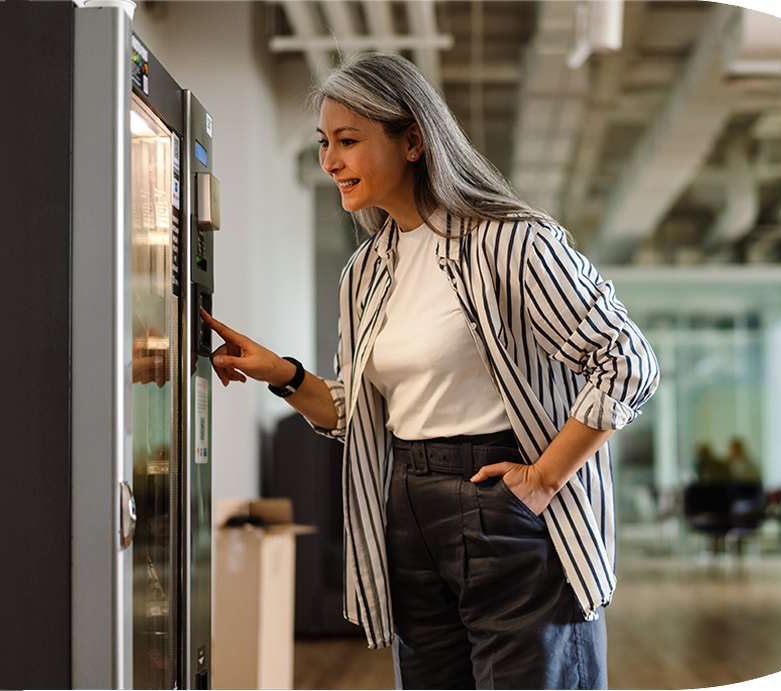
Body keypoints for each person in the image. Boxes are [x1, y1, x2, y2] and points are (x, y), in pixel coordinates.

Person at [202, 52, 658, 690]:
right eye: (325, 143)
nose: (330, 161)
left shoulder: (512, 243)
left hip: (507, 506)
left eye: (349, 141)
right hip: (407, 507)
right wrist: (282, 374)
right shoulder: (365, 274)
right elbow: (361, 416)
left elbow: (626, 360)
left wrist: (543, 479)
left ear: (413, 140)